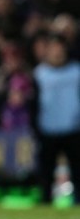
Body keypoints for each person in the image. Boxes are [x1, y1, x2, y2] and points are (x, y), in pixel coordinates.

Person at [31, 32, 80, 205]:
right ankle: (46, 200)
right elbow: (34, 103)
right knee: (46, 171)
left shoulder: (76, 71)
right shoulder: (39, 74)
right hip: (48, 129)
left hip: (73, 128)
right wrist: (35, 128)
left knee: (77, 169)